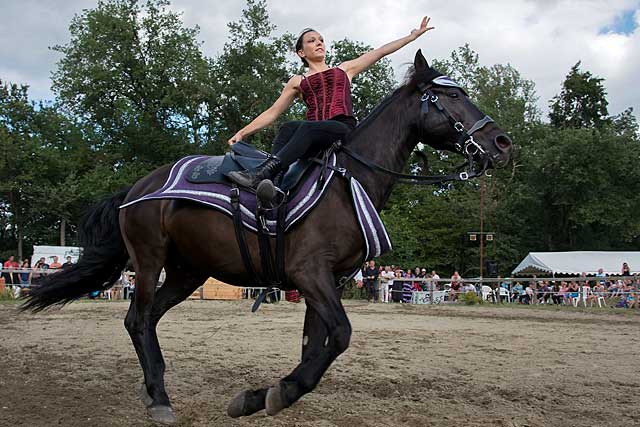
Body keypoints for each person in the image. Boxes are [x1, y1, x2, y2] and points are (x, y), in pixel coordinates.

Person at [226, 17, 435, 191]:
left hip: (341, 129)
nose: (319, 43)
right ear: (301, 52)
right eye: (311, 41)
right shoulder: (298, 81)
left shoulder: (344, 69)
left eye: (321, 40)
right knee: (287, 127)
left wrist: (412, 36)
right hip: (312, 137)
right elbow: (273, 112)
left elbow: (380, 52)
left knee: (306, 127)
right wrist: (243, 132)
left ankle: (262, 174)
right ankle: (273, 183)